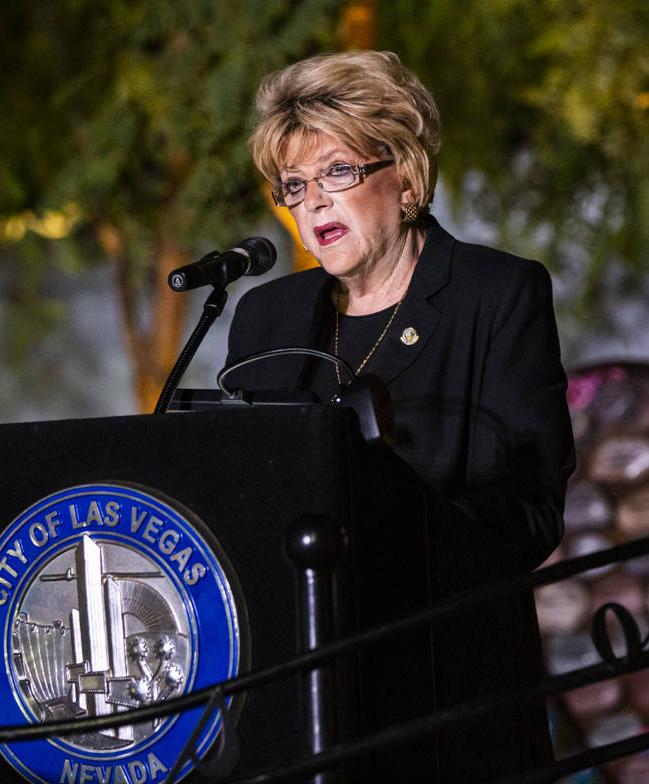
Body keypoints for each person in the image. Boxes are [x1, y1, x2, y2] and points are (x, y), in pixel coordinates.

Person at [224, 50, 575, 780]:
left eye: (338, 173)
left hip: (446, 676)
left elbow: (530, 511)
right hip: (305, 681)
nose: (313, 202)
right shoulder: (267, 316)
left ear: (407, 180)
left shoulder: (496, 294)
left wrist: (392, 528)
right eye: (295, 185)